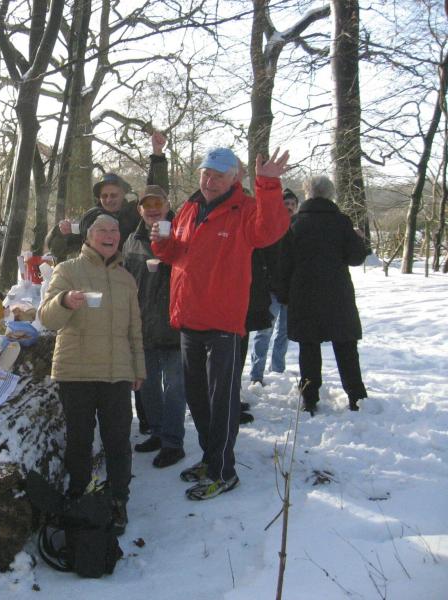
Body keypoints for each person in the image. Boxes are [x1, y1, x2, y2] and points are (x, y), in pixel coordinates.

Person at [150, 147, 290, 500]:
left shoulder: (245, 209)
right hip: (188, 318)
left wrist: (268, 184)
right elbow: (176, 254)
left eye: (218, 176)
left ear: (234, 178)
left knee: (221, 402)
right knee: (197, 399)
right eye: (205, 174)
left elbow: (270, 232)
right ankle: (209, 458)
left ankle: (223, 472)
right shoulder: (190, 207)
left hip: (223, 324)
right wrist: (161, 243)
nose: (209, 181)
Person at [38, 214, 146, 536]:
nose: (110, 235)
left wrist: (138, 368)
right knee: (79, 441)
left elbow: (135, 329)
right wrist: (64, 301)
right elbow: (47, 318)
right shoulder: (68, 270)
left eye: (115, 230)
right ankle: (79, 495)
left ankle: (118, 499)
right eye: (102, 230)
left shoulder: (126, 279)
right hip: (77, 373)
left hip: (117, 373)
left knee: (118, 441)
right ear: (88, 236)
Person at [279, 175, 369, 415]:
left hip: (303, 292)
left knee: (309, 347)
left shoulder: (295, 223)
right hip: (337, 293)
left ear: (307, 193)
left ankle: (309, 397)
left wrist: (284, 294)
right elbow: (356, 258)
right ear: (331, 194)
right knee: (345, 345)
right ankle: (357, 396)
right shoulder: (342, 222)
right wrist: (359, 240)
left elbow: (284, 263)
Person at [122, 184, 186, 468]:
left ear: (167, 205)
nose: (153, 210)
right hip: (143, 327)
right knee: (147, 387)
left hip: (175, 326)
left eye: (158, 203)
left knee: (174, 388)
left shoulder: (182, 233)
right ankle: (158, 433)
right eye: (147, 205)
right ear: (140, 210)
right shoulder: (132, 241)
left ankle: (173, 443)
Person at [249, 188, 299, 384]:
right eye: (286, 204)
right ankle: (256, 374)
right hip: (271, 289)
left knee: (284, 333)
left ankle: (278, 371)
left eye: (293, 204)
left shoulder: (298, 227)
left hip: (290, 289)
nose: (289, 207)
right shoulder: (271, 226)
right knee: (264, 331)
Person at [45, 171, 140, 262]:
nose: (108, 200)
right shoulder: (90, 218)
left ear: (123, 194)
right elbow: (56, 249)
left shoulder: (135, 215)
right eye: (104, 196)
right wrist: (61, 232)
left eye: (113, 195)